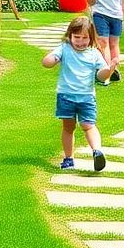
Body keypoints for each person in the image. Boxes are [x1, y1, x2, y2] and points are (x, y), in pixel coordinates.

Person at [42, 16, 115, 172]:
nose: (80, 41)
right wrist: (50, 59)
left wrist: (109, 70)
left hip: (87, 97)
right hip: (65, 96)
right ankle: (69, 158)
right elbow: (48, 61)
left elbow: (101, 76)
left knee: (88, 125)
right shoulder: (64, 48)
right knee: (68, 128)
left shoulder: (94, 53)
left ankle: (97, 151)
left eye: (84, 38)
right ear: (70, 36)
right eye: (77, 37)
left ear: (91, 38)